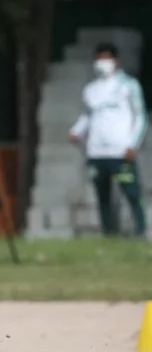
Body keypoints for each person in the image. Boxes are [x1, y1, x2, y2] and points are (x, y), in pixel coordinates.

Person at [68, 42, 148, 237]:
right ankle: (109, 233)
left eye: (106, 59)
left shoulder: (128, 85)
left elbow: (140, 116)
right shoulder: (91, 89)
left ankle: (140, 230)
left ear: (116, 61)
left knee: (130, 192)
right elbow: (87, 116)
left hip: (121, 152)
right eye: (99, 59)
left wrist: (133, 144)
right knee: (102, 195)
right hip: (97, 153)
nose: (102, 63)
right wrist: (76, 130)